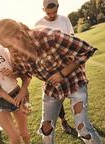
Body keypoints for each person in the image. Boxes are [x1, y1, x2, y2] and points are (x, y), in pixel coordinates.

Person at [0, 19, 105, 144]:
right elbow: (24, 73)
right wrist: (14, 75)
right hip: (52, 89)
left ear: (20, 34)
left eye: (11, 44)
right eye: (7, 47)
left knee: (82, 126)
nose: (11, 50)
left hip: (74, 82)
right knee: (46, 127)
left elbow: (86, 50)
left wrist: (62, 73)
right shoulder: (15, 51)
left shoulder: (48, 36)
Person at [35, 0, 74, 134]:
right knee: (57, 96)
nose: (52, 15)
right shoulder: (38, 25)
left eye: (54, 12)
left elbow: (72, 39)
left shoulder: (64, 20)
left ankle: (80, 119)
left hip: (69, 64)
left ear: (58, 6)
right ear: (43, 9)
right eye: (48, 12)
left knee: (76, 93)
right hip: (51, 68)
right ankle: (63, 120)